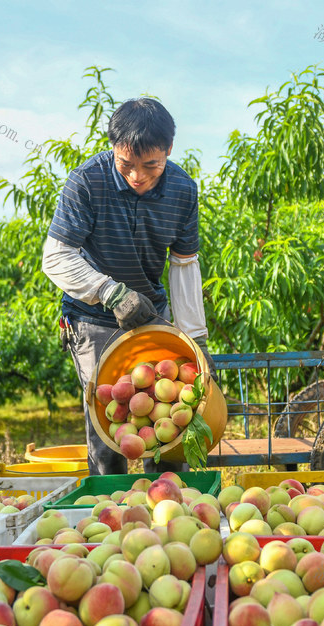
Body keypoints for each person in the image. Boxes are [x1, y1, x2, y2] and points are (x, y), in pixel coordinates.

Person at [42, 97, 213, 476]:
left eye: (151, 165)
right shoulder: (87, 181)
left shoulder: (183, 190)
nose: (137, 176)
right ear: (113, 148)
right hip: (92, 317)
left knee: (169, 419)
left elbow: (184, 265)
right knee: (108, 422)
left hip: (151, 312)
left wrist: (196, 339)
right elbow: (56, 256)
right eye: (126, 164)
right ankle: (109, 501)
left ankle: (170, 498)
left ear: (169, 149)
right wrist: (111, 292)